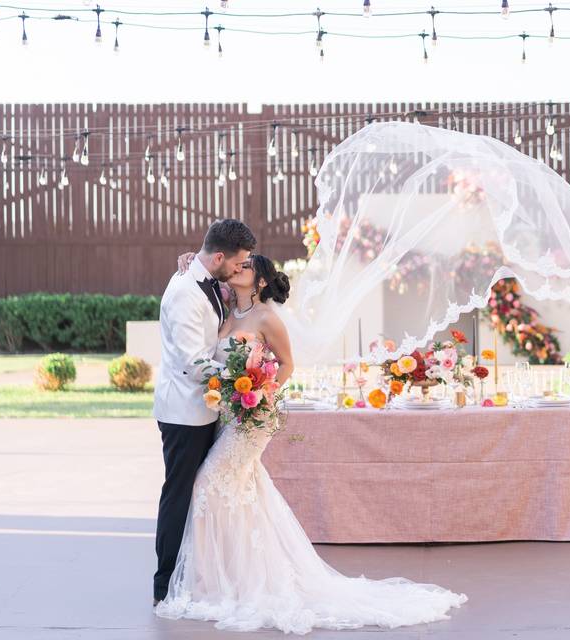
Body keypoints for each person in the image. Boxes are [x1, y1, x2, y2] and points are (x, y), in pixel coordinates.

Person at [155, 252, 467, 635]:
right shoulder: (222, 303)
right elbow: (207, 265)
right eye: (238, 265)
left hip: (253, 417)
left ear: (262, 282)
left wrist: (263, 392)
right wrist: (186, 259)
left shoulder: (267, 318)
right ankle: (231, 578)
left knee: (208, 483)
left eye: (246, 267)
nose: (238, 269)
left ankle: (215, 581)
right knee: (242, 491)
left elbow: (286, 364)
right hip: (227, 415)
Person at [152, 219, 256, 606]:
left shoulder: (213, 282)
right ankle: (164, 586)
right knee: (178, 494)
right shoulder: (184, 292)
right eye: (237, 262)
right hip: (183, 412)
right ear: (217, 257)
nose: (239, 269)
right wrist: (243, 375)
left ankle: (191, 575)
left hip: (205, 409)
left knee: (198, 495)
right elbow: (192, 363)